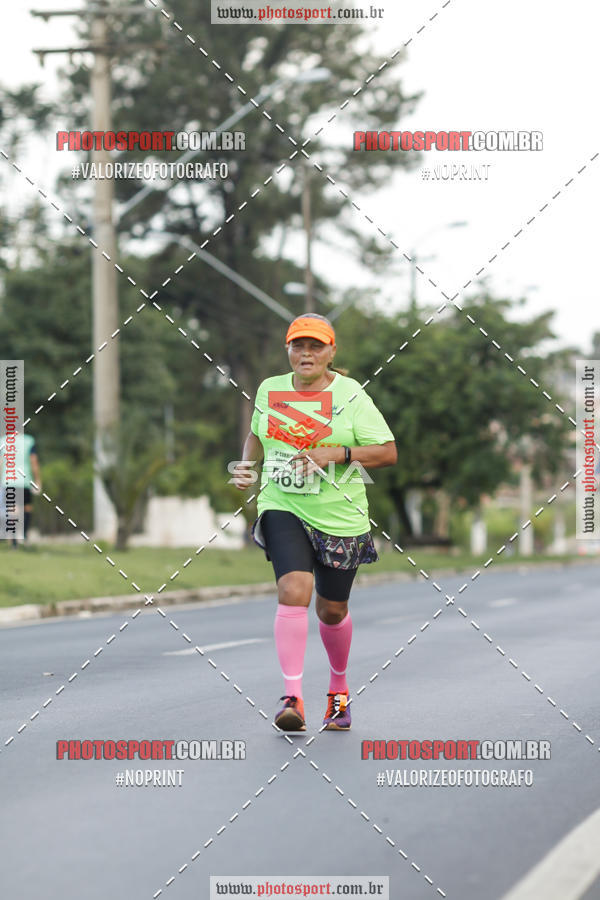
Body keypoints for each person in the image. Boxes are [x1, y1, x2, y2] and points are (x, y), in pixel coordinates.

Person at [232, 314, 397, 732]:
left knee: (331, 609)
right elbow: (256, 432)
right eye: (298, 345)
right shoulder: (270, 389)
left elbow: (387, 452)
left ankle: (338, 693)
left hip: (339, 514)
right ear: (287, 349)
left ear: (331, 352)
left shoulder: (351, 394)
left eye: (316, 346)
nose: (306, 353)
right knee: (294, 589)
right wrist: (246, 466)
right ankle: (292, 697)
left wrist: (335, 454)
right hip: (282, 502)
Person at [0, 431, 42, 547]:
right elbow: (34, 461)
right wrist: (37, 480)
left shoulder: (4, 441)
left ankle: (13, 539)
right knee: (27, 507)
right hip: (24, 480)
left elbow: (1, 462)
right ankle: (23, 535)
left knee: (12, 509)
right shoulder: (29, 440)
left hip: (8, 480)